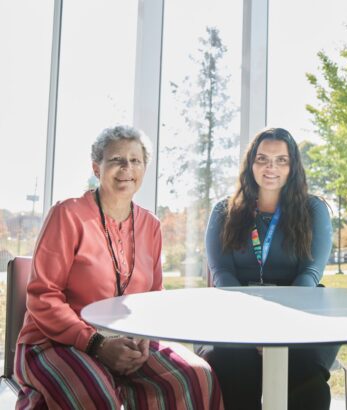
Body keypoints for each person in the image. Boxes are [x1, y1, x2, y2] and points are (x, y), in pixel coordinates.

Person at [15, 125, 223, 410]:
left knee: (197, 376)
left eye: (135, 160)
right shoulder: (68, 214)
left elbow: (153, 296)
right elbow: (43, 297)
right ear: (96, 168)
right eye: (116, 160)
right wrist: (97, 344)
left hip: (128, 343)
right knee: (95, 394)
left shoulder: (151, 225)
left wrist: (142, 340)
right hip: (56, 341)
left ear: (144, 168)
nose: (127, 168)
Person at [204, 127, 339, 410]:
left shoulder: (313, 210)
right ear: (250, 163)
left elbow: (310, 274)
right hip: (235, 313)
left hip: (302, 312)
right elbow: (222, 276)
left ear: (293, 166)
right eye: (263, 159)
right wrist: (254, 326)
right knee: (232, 368)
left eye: (281, 160)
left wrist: (279, 329)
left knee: (305, 376)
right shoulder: (223, 212)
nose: (271, 168)